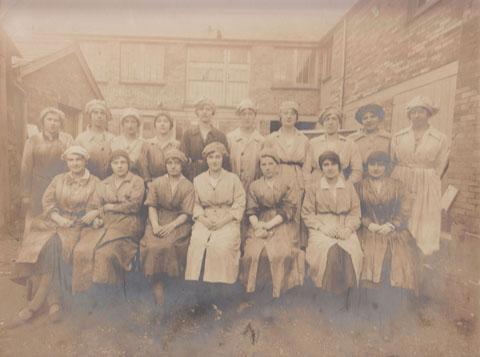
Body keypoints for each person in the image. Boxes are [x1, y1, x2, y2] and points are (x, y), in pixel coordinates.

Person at [11, 146, 99, 326]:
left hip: (78, 225)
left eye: (79, 160)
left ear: (85, 161)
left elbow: (94, 207)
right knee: (38, 243)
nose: (75, 164)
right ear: (66, 162)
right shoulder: (58, 180)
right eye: (71, 160)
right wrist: (58, 218)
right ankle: (54, 301)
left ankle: (34, 306)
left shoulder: (94, 182)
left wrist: (88, 216)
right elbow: (48, 202)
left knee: (55, 244)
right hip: (55, 221)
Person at [72, 150, 145, 293]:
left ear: (128, 164)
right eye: (115, 163)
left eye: (123, 162)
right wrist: (96, 220)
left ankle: (109, 294)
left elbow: (134, 205)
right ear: (111, 165)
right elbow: (93, 206)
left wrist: (108, 206)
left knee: (104, 253)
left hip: (127, 224)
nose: (119, 166)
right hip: (104, 224)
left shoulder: (136, 181)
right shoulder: (104, 183)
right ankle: (86, 294)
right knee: (81, 250)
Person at [240, 148, 304, 298]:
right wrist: (258, 226)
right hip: (259, 222)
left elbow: (289, 209)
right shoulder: (254, 185)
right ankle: (257, 290)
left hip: (281, 222)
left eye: (270, 164)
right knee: (252, 253)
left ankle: (278, 290)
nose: (267, 167)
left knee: (280, 253)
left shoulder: (288, 183)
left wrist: (268, 226)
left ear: (277, 166)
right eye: (263, 164)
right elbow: (251, 210)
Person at [391, 96, 450, 255]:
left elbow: (441, 164)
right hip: (402, 176)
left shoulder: (440, 138)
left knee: (423, 216)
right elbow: (393, 160)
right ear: (409, 115)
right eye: (413, 112)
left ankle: (420, 253)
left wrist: (430, 179)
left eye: (421, 112)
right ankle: (398, 249)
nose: (416, 116)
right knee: (402, 212)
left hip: (426, 181)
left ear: (428, 114)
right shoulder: (398, 136)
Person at [356, 151, 419, 294]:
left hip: (393, 229)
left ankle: (392, 297)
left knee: (401, 254)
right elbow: (355, 210)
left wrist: (392, 224)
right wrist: (368, 224)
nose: (376, 168)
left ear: (386, 167)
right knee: (368, 251)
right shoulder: (359, 186)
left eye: (380, 165)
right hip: (367, 229)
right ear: (367, 166)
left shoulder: (398, 185)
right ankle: (368, 296)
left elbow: (405, 209)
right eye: (372, 164)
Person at [302, 151, 363, 295]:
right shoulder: (313, 187)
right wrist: (322, 228)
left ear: (339, 166)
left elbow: (355, 213)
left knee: (350, 251)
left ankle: (348, 293)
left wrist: (348, 229)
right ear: (321, 168)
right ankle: (327, 293)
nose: (330, 168)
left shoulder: (348, 186)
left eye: (333, 164)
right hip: (321, 226)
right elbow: (307, 213)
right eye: (325, 164)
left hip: (344, 224)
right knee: (329, 251)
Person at [185, 142, 245, 284]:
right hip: (204, 219)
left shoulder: (233, 178)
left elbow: (239, 203)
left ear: (223, 159)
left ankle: (221, 289)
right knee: (197, 244)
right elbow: (195, 203)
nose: (214, 160)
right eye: (211, 157)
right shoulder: (198, 180)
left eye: (217, 157)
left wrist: (223, 221)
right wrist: (203, 219)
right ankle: (198, 288)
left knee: (220, 246)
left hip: (227, 220)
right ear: (206, 160)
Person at [140, 149, 194, 306]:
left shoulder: (188, 186)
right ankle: (156, 283)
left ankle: (170, 282)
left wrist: (171, 226)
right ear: (165, 165)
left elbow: (186, 213)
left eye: (177, 163)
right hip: (157, 219)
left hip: (178, 222)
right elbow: (152, 206)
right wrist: (155, 225)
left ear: (182, 166)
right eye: (169, 163)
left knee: (169, 245)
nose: (173, 166)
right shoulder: (157, 183)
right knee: (152, 245)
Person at [263, 101, 310, 247]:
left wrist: (306, 183)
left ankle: (294, 246)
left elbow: (307, 164)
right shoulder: (271, 138)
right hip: (278, 174)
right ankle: (275, 242)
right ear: (280, 117)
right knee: (278, 207)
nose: (289, 116)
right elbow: (265, 159)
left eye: (292, 113)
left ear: (297, 117)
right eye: (285, 113)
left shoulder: (304, 139)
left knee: (295, 211)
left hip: (297, 176)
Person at [20, 107, 74, 230]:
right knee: (35, 219)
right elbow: (26, 167)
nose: (53, 123)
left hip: (60, 185)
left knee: (58, 217)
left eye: (56, 120)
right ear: (43, 122)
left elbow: (73, 162)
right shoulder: (33, 140)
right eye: (49, 119)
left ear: (61, 123)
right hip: (38, 186)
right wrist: (25, 194)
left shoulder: (67, 140)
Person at [180, 98, 230, 181]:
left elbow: (225, 161)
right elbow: (183, 159)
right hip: (192, 175)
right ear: (197, 112)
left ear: (212, 112)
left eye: (208, 109)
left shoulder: (220, 136)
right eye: (201, 109)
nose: (204, 112)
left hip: (214, 176)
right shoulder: (188, 134)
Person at [309, 107, 362, 183]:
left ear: (339, 123)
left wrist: (347, 185)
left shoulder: (349, 144)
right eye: (327, 119)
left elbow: (357, 170)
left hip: (339, 183)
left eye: (334, 119)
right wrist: (310, 186)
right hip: (317, 183)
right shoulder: (313, 143)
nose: (330, 122)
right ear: (323, 123)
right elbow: (306, 169)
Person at [227, 98, 264, 191]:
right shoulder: (230, 138)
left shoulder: (261, 140)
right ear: (239, 117)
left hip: (255, 189)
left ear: (255, 116)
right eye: (244, 114)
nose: (247, 117)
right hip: (233, 188)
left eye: (250, 114)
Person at [75, 99, 115, 179]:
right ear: (90, 116)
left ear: (106, 117)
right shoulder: (81, 139)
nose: (99, 116)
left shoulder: (112, 138)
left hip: (109, 183)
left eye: (102, 113)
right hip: (87, 182)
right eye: (95, 113)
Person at [348, 104, 391, 172]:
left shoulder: (388, 138)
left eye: (373, 116)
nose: (369, 120)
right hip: (360, 175)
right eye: (365, 118)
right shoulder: (352, 139)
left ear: (379, 118)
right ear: (361, 121)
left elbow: (392, 161)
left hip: (382, 176)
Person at [110, 107, 149, 179]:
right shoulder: (114, 142)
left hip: (137, 181)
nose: (130, 125)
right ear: (122, 124)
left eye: (133, 122)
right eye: (127, 122)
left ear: (138, 125)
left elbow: (145, 169)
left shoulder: (144, 144)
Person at [144, 110, 181, 181]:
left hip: (171, 182)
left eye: (166, 121)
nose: (162, 124)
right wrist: (148, 182)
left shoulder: (177, 145)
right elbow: (143, 166)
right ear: (155, 125)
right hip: (152, 182)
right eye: (159, 121)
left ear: (171, 125)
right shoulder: (148, 144)